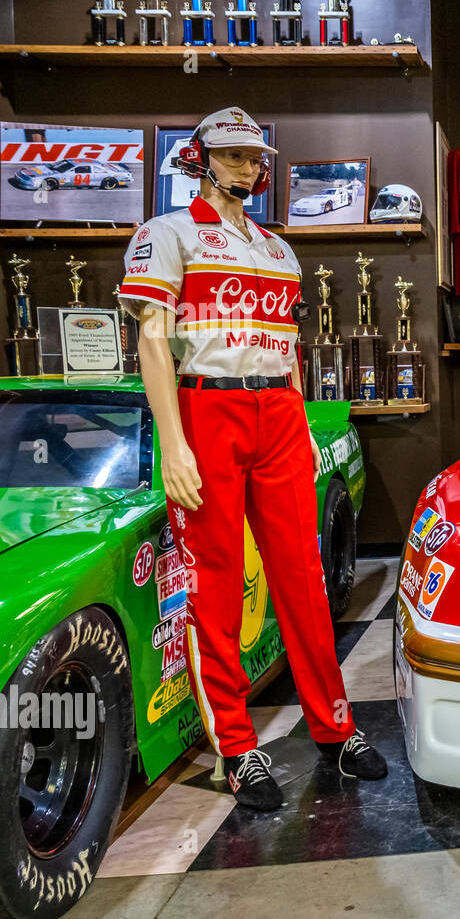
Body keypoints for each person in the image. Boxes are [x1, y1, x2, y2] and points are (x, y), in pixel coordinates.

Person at [119, 107, 388, 811]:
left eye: (253, 157)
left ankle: (334, 724)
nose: (247, 167)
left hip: (278, 413)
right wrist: (171, 440)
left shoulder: (278, 249)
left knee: (302, 573)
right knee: (214, 578)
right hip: (206, 408)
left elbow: (290, 350)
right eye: (232, 155)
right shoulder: (165, 234)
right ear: (201, 158)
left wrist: (298, 419)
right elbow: (153, 341)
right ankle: (236, 749)